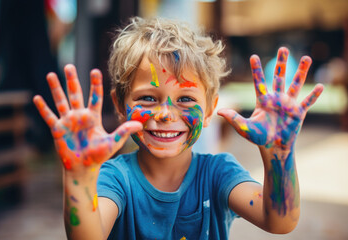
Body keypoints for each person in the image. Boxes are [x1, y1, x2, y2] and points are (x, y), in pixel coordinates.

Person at [33, 17, 324, 240]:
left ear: (209, 110)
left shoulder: (219, 174)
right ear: (120, 105)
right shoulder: (116, 179)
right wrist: (80, 177)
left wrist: (279, 155)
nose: (164, 114)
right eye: (148, 98)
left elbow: (279, 222)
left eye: (185, 99)